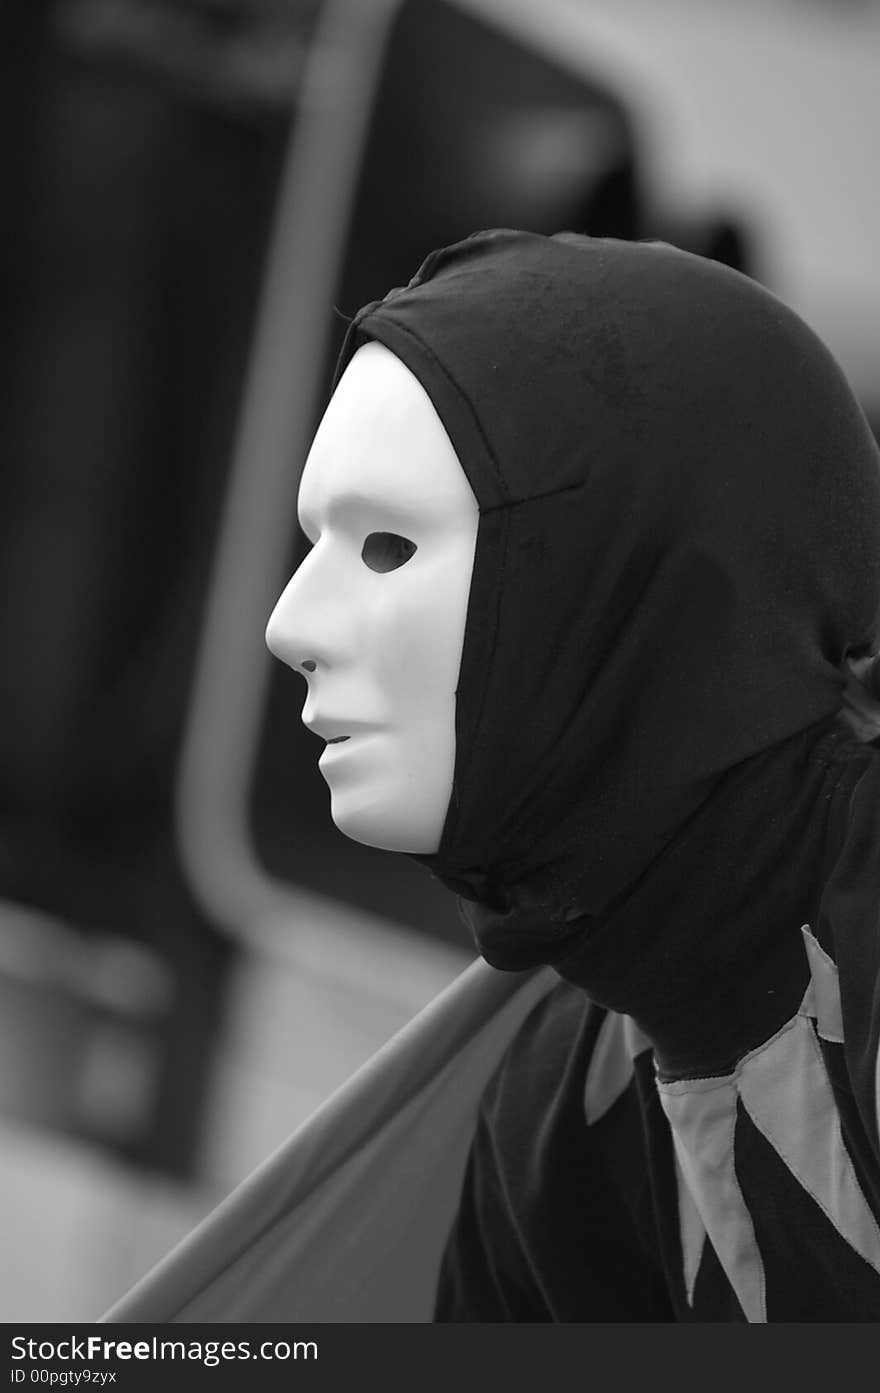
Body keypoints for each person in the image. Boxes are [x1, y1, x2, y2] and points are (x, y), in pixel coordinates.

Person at [266, 229, 880, 1322]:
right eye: (314, 542)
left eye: (388, 546)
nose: (290, 623)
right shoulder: (551, 1110)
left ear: (636, 565)